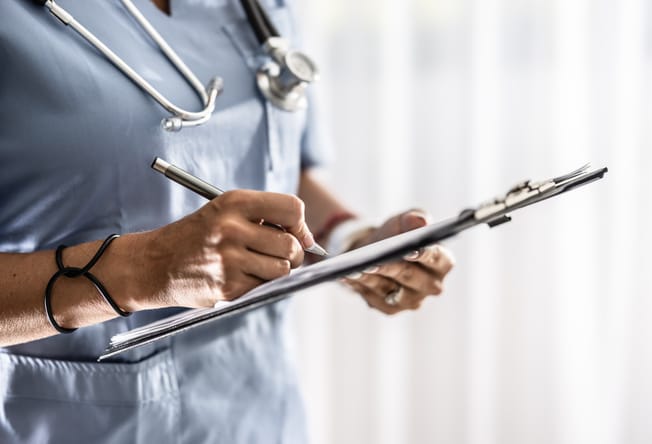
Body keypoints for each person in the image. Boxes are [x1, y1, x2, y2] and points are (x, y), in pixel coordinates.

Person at [0, 0, 455, 442]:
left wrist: (352, 244)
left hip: (259, 414)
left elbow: (275, 170)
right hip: (68, 420)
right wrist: (144, 268)